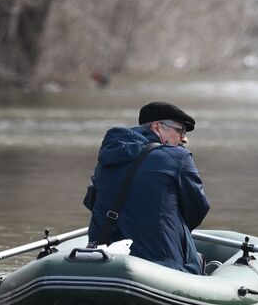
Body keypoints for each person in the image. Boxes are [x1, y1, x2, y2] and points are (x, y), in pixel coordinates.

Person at [82, 101, 211, 274]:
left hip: (102, 259)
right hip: (160, 262)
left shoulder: (108, 154)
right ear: (157, 127)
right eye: (180, 130)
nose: (184, 138)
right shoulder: (178, 158)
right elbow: (197, 209)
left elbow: (91, 201)